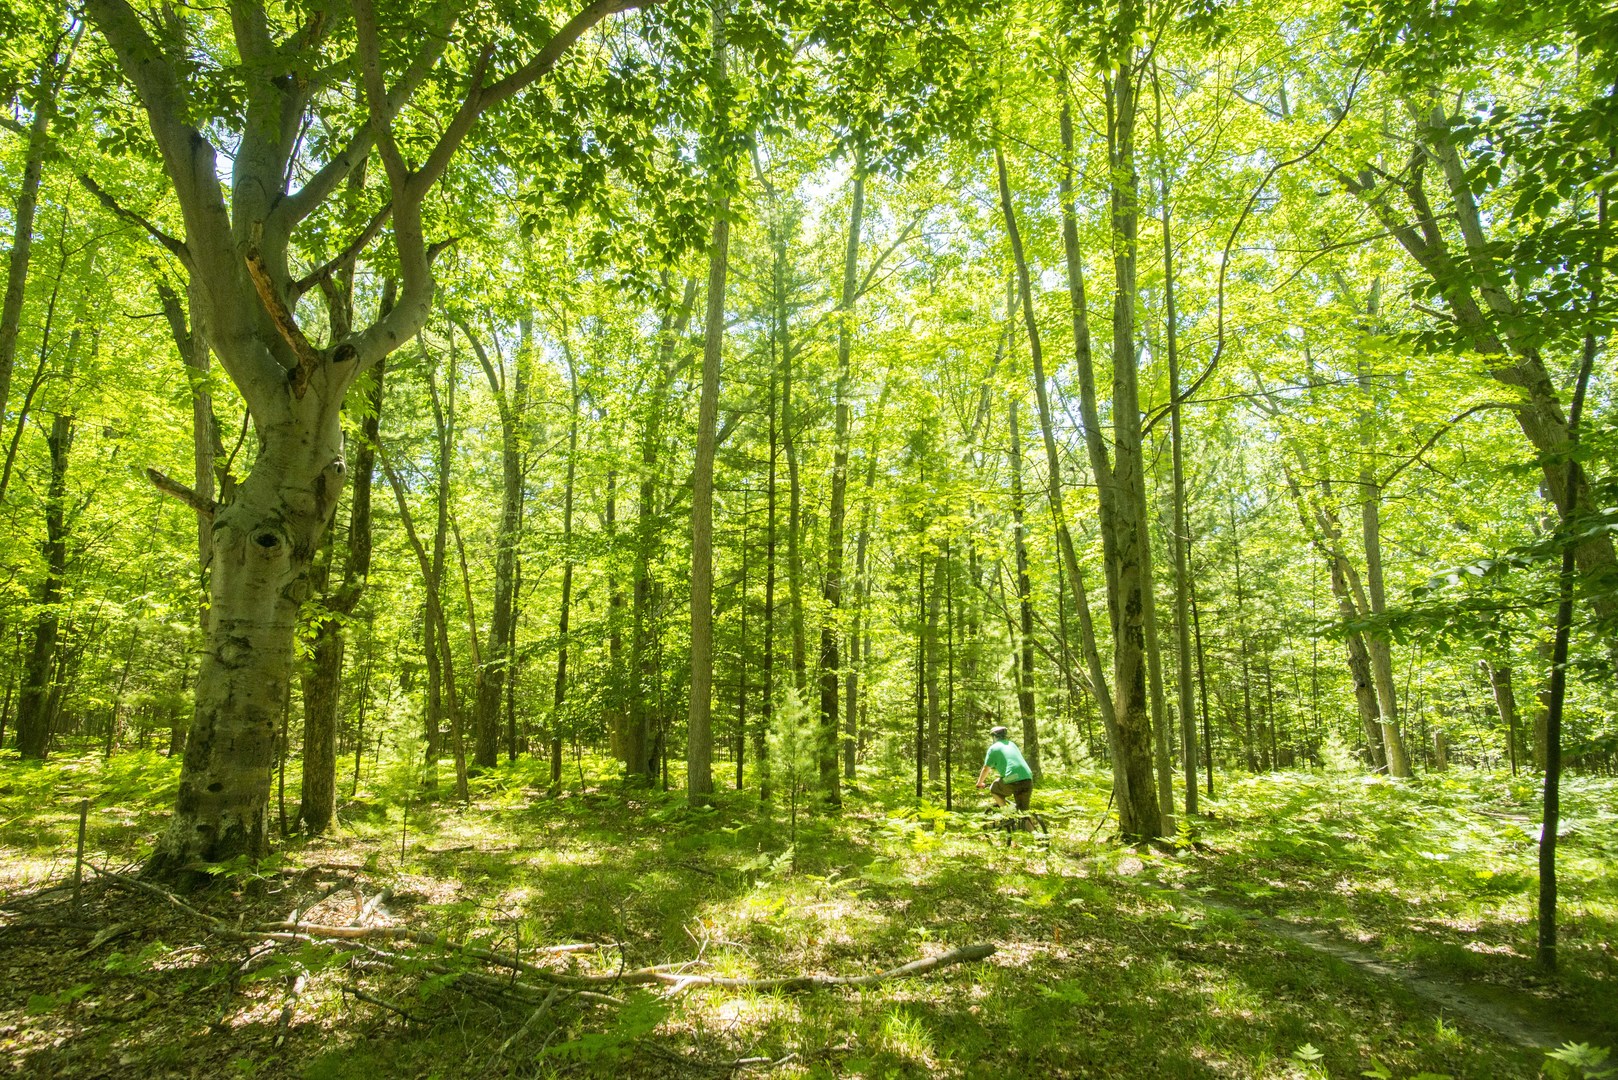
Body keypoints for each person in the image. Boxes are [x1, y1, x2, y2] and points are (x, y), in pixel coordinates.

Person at [976, 725, 1033, 811]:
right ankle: (1028, 823)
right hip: (1027, 777)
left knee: (994, 788)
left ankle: (1007, 813)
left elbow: (986, 769)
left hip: (1013, 777)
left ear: (994, 737)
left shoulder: (993, 748)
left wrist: (979, 783)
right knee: (1024, 812)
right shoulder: (1012, 744)